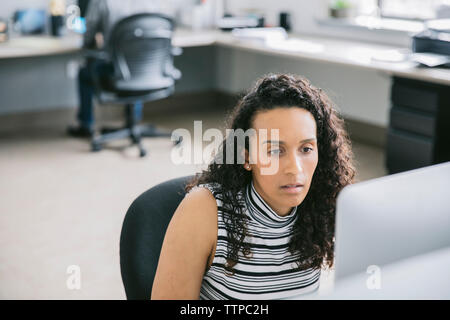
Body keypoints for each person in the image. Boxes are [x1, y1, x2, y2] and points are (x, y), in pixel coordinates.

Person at [151, 73, 356, 300]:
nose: (295, 169)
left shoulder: (322, 204)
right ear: (247, 157)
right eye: (275, 150)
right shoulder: (205, 210)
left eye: (306, 149)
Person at [67, 0, 173, 137]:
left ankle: (85, 125)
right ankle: (133, 120)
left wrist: (90, 44)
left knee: (85, 72)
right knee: (137, 66)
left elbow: (89, 33)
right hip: (152, 70)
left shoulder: (102, 2)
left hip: (118, 73)